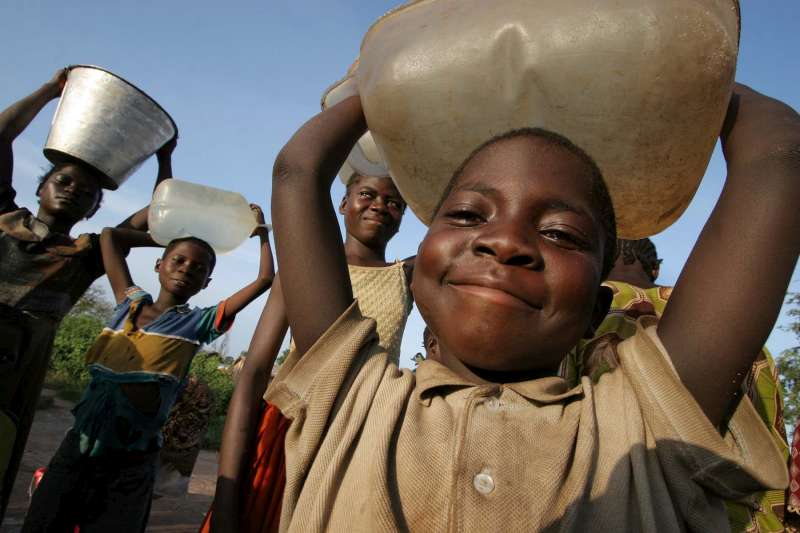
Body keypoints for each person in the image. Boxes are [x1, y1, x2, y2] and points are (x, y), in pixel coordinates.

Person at [251, 80, 796, 531]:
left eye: (560, 233)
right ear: (418, 269)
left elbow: (780, 157)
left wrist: (658, 67)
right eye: (467, 215)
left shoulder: (646, 425)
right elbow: (298, 173)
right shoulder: (349, 397)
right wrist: (393, 82)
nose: (505, 242)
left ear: (595, 309)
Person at [22, 205, 274, 532]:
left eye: (198, 268)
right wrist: (169, 235)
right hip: (77, 448)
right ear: (159, 265)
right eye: (178, 260)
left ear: (206, 282)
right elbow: (111, 237)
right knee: (42, 524)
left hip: (130, 464)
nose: (186, 269)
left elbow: (265, 279)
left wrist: (262, 234)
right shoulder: (130, 302)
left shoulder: (198, 323)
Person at [0, 68, 176, 522]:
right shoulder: (4, 216)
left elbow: (163, 223)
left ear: (97, 209)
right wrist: (49, 91)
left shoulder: (90, 250)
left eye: (87, 192)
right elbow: (2, 134)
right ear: (40, 187)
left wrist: (162, 160)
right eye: (63, 181)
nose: (74, 190)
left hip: (18, 362)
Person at [205, 171, 414, 532]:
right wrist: (226, 494)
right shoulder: (300, 271)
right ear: (343, 204)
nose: (380, 205)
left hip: (362, 437)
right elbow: (255, 373)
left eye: (395, 203)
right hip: (287, 430)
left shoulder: (409, 274)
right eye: (368, 194)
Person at [563, 238, 791, 532]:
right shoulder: (732, 324)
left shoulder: (584, 312)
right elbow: (771, 430)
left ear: (602, 260)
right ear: (655, 270)